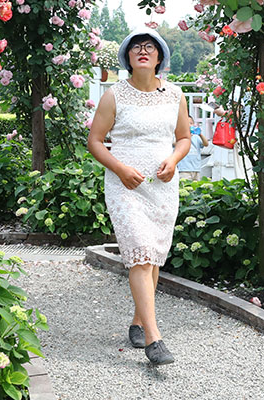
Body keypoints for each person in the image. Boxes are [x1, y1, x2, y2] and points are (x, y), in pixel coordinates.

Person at [87, 27, 191, 365]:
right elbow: (95, 141)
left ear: (160, 57)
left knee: (154, 256)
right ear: (128, 58)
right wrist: (120, 169)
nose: (142, 51)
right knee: (141, 255)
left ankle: (137, 321)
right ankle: (154, 339)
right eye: (136, 48)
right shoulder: (114, 95)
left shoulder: (175, 95)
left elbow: (184, 138)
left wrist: (174, 161)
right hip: (125, 186)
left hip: (162, 187)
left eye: (150, 47)